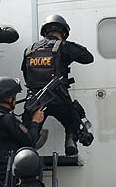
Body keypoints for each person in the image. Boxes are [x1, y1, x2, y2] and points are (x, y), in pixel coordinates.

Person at [20, 14, 94, 156]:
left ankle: (27, 154)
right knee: (72, 120)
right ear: (63, 32)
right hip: (59, 97)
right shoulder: (63, 46)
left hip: (36, 100)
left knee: (30, 129)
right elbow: (88, 58)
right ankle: (70, 142)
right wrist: (68, 54)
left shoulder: (29, 50)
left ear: (45, 32)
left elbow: (26, 73)